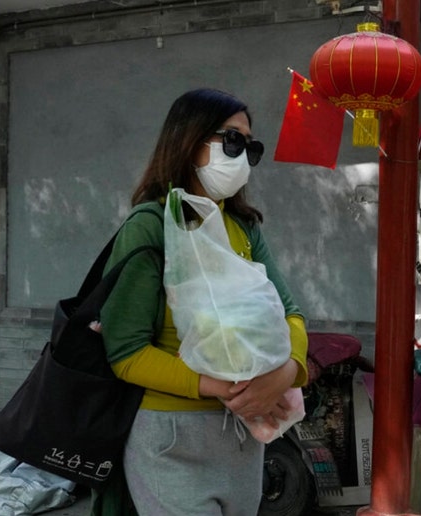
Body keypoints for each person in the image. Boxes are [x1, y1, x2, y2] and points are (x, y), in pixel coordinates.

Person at [96, 88, 308, 515]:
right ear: (188, 140)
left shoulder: (244, 229)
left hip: (246, 435)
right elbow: (126, 352)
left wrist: (286, 371)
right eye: (232, 140)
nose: (242, 155)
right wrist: (226, 389)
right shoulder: (150, 225)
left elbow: (291, 313)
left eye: (250, 147)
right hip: (172, 438)